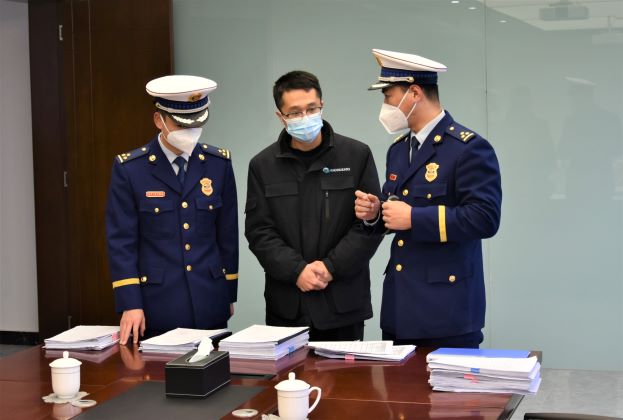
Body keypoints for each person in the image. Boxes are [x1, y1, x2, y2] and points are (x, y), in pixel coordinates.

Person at [355, 49, 502, 348]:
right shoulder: (399, 149)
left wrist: (414, 218)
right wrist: (375, 213)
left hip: (446, 309)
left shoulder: (467, 148)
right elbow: (395, 208)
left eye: (388, 97)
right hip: (400, 307)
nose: (385, 106)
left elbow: (485, 218)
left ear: (414, 93)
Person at [245, 70, 383, 341]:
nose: (305, 117)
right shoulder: (262, 165)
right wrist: (296, 270)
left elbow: (369, 226)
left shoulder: (357, 155)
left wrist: (331, 267)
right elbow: (259, 232)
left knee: (347, 372)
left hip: (343, 304)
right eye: (295, 113)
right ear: (281, 116)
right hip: (288, 306)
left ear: (322, 106)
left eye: (311, 109)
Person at [106, 75, 238, 345]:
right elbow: (121, 242)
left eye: (197, 123)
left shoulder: (218, 164)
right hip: (157, 305)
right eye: (181, 124)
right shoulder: (131, 169)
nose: (190, 131)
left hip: (209, 300)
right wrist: (130, 303)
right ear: (159, 120)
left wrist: (228, 292)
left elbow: (227, 235)